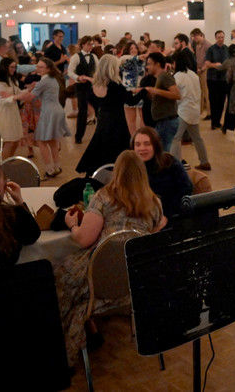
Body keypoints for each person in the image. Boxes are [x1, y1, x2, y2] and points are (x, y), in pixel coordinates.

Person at [57, 150, 166, 367]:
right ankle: (91, 329)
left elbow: (84, 239)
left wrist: (72, 225)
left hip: (99, 280)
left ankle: (69, 338)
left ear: (117, 172)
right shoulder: (154, 203)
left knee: (59, 276)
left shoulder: (104, 198)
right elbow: (153, 236)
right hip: (134, 282)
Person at [74, 54, 131, 175]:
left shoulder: (94, 86)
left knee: (101, 148)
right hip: (117, 122)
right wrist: (144, 91)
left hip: (102, 121)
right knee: (118, 151)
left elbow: (93, 102)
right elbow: (131, 100)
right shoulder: (115, 86)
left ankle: (99, 175)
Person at [131, 126, 192, 218]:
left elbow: (186, 188)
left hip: (172, 215)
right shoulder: (131, 168)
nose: (142, 148)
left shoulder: (170, 163)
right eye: (138, 144)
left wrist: (167, 215)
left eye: (147, 144)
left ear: (155, 145)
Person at [169, 50, 211, 171]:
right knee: (197, 138)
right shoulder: (193, 74)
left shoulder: (177, 77)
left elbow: (176, 95)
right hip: (194, 111)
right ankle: (204, 161)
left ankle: (176, 165)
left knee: (175, 138)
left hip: (183, 111)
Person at [29, 58, 70, 178]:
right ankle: (56, 166)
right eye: (37, 66)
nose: (38, 69)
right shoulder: (52, 79)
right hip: (57, 110)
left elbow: (30, 97)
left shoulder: (44, 81)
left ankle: (49, 169)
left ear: (48, 69)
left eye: (41, 67)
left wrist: (14, 97)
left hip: (49, 112)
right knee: (52, 141)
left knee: (41, 141)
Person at [0, 57, 35, 158]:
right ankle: (4, 164)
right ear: (5, 67)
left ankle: (8, 162)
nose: (13, 69)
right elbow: (3, 99)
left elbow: (18, 93)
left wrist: (30, 89)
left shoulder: (12, 80)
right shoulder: (0, 82)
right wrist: (16, 97)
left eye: (14, 67)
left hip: (12, 111)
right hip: (3, 112)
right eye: (11, 67)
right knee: (9, 141)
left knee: (15, 141)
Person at [139, 52, 179, 152]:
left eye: (149, 64)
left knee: (163, 153)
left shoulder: (164, 76)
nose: (147, 67)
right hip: (163, 121)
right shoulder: (160, 78)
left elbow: (177, 95)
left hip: (166, 121)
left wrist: (155, 91)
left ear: (157, 64)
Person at [68, 36, 97, 144]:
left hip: (93, 87)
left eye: (92, 44)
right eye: (89, 44)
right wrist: (78, 78)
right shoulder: (76, 57)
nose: (91, 46)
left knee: (98, 109)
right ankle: (78, 136)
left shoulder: (94, 56)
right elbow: (70, 71)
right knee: (82, 111)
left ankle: (100, 134)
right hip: (81, 87)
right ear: (82, 45)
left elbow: (98, 69)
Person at [204, 30, 230, 131]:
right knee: (213, 101)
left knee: (221, 101)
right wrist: (215, 65)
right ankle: (213, 122)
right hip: (213, 79)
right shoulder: (211, 49)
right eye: (219, 37)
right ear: (216, 38)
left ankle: (218, 121)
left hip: (224, 79)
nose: (221, 39)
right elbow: (207, 63)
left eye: (222, 37)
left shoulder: (227, 49)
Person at [119, 39, 145, 136]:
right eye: (131, 48)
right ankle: (133, 139)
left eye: (135, 48)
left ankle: (143, 137)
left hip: (140, 90)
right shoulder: (124, 59)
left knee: (143, 118)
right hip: (128, 91)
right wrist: (137, 57)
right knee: (131, 120)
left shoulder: (142, 62)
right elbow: (123, 59)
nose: (134, 50)